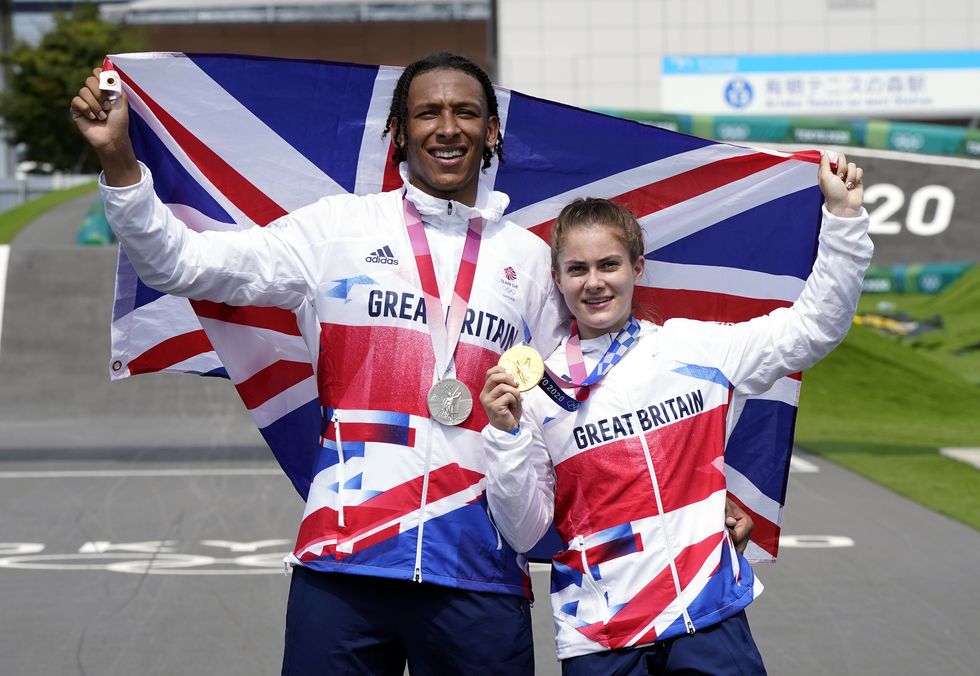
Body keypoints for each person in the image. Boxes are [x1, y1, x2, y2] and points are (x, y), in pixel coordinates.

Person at [71, 51, 756, 673]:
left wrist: (689, 505)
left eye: (466, 112)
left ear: (492, 133)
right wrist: (120, 166)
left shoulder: (529, 262)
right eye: (428, 111)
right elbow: (181, 263)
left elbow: (593, 399)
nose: (447, 126)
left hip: (479, 572)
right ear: (398, 131)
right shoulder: (336, 230)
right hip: (345, 563)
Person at [479, 154, 871, 674]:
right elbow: (526, 532)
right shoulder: (537, 394)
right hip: (603, 635)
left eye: (608, 264)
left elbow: (814, 327)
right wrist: (504, 437)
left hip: (706, 617)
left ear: (636, 267)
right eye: (578, 269)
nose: (594, 282)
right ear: (557, 278)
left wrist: (844, 219)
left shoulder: (694, 349)